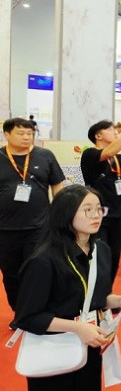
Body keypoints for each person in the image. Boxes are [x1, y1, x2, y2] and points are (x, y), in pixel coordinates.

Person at [13, 185, 121, 391]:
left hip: (88, 350)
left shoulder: (101, 250)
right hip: (53, 356)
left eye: (98, 209)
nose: (96, 215)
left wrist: (117, 301)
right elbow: (28, 317)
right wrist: (76, 327)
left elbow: (96, 297)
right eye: (87, 210)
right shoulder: (44, 258)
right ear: (66, 214)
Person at [0, 118, 64, 319]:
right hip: (5, 230)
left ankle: (36, 311)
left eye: (30, 133)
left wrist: (58, 213)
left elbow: (57, 184)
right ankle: (19, 312)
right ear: (7, 134)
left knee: (37, 270)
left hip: (39, 227)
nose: (26, 137)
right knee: (11, 274)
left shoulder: (45, 156)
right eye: (21, 133)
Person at [80, 119, 121, 283]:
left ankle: (107, 291)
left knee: (115, 255)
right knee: (100, 255)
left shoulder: (119, 158)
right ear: (98, 136)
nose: (115, 132)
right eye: (110, 130)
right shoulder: (90, 154)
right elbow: (108, 152)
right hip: (98, 215)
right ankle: (95, 291)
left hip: (118, 214)